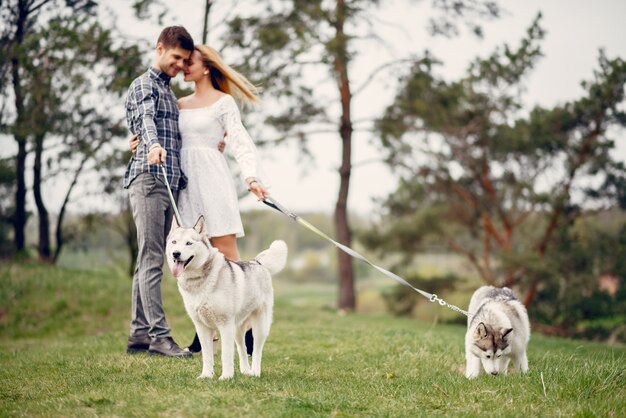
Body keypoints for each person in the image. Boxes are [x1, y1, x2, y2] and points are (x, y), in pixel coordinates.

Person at [130, 44, 269, 354]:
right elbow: (161, 130)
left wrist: (251, 176)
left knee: (227, 256)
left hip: (214, 180)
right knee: (192, 255)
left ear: (206, 67)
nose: (183, 67)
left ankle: (244, 334)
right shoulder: (179, 103)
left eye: (189, 62)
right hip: (184, 183)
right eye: (182, 61)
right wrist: (138, 142)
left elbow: (239, 139)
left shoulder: (224, 102)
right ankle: (203, 331)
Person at [124, 26, 195, 358]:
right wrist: (150, 144)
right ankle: (159, 337)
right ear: (160, 48)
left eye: (184, 61)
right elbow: (146, 119)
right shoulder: (144, 85)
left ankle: (139, 335)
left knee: (146, 259)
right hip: (149, 179)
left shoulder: (169, 92)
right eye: (176, 58)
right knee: (153, 258)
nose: (179, 65)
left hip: (168, 183)